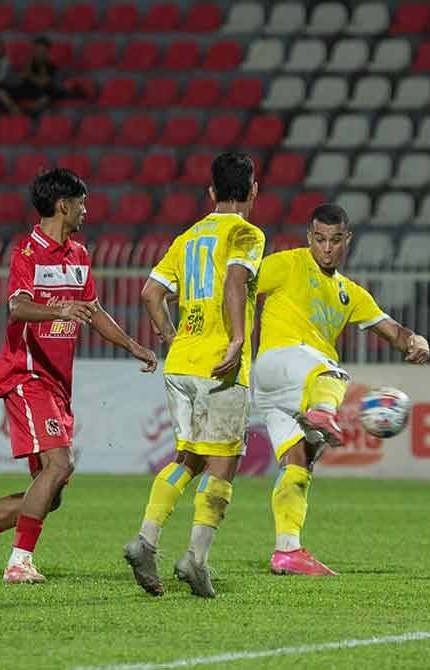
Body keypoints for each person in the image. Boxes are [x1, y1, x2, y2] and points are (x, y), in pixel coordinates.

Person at [0, 168, 158, 584]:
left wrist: (131, 345)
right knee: (59, 463)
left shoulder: (79, 255)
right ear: (62, 205)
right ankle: (19, 562)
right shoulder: (27, 254)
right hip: (25, 375)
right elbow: (17, 307)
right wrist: (60, 310)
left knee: (49, 492)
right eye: (81, 203)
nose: (86, 210)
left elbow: (94, 312)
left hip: (56, 384)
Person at [252, 203, 430, 576]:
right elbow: (238, 283)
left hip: (278, 392)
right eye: (319, 239)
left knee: (297, 464)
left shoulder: (351, 293)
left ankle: (288, 550)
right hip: (281, 361)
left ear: (347, 240)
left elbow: (392, 331)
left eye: (334, 240)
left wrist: (415, 340)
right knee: (334, 374)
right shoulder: (288, 263)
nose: (326, 248)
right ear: (309, 238)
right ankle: (323, 412)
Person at [124, 153, 266, 598]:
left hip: (182, 361)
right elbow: (235, 281)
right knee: (223, 461)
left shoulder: (187, 237)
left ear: (211, 192)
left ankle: (146, 539)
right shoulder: (247, 232)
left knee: (188, 456)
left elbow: (151, 293)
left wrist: (171, 335)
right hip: (218, 363)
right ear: (252, 191)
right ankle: (196, 558)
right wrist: (238, 339)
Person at [0, 36, 58, 117]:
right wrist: (26, 68)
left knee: (51, 91)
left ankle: (31, 112)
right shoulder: (27, 63)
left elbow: (43, 83)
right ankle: (14, 110)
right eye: (37, 50)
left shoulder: (51, 67)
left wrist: (29, 75)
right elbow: (16, 79)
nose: (39, 53)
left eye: (42, 50)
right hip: (24, 89)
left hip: (39, 91)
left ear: (47, 52)